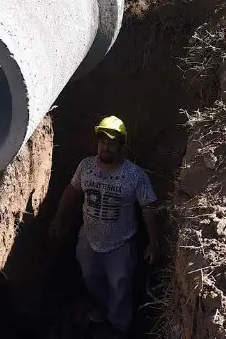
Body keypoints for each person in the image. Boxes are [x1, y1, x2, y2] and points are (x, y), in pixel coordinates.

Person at [49, 115, 160, 338]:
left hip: (120, 246)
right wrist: (59, 218)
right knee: (91, 280)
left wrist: (154, 243)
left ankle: (119, 328)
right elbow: (72, 192)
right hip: (88, 242)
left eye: (111, 142)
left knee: (120, 289)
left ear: (122, 145)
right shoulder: (86, 166)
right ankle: (99, 314)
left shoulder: (134, 175)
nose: (105, 147)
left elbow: (149, 206)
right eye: (102, 141)